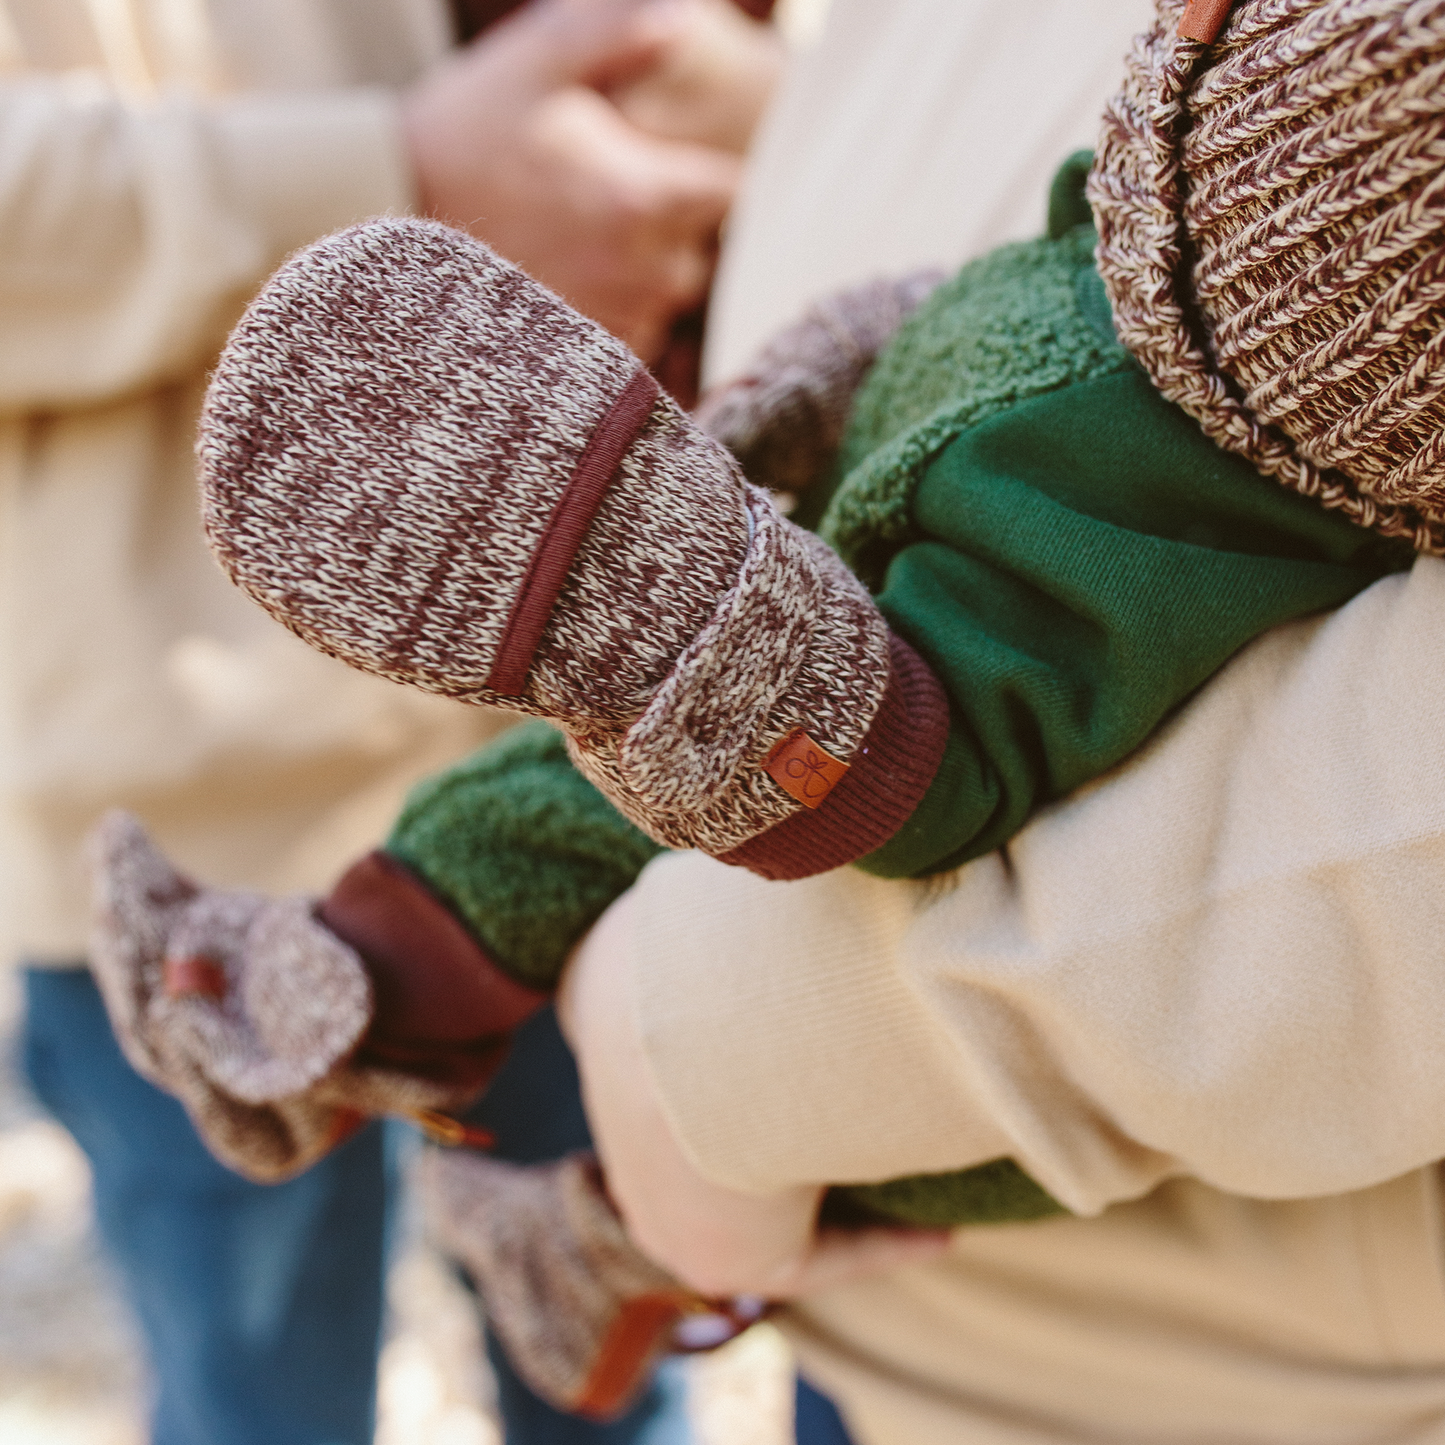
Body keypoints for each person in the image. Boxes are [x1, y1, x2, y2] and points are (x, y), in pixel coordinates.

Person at [3, 0, 773, 1440]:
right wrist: (397, 170)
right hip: (185, 823)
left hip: (558, 770)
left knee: (607, 1360)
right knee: (263, 1399)